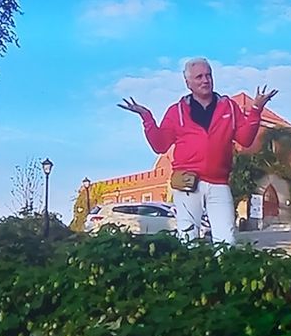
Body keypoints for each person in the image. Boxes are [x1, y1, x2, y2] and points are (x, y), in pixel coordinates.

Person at [119, 58, 278, 245]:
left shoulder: (228, 107)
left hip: (218, 182)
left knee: (227, 238)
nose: (205, 80)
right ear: (188, 83)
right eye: (199, 77)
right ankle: (191, 273)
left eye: (208, 75)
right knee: (188, 238)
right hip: (188, 182)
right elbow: (160, 145)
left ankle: (222, 272)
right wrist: (147, 118)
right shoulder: (176, 111)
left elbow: (245, 139)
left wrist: (256, 110)